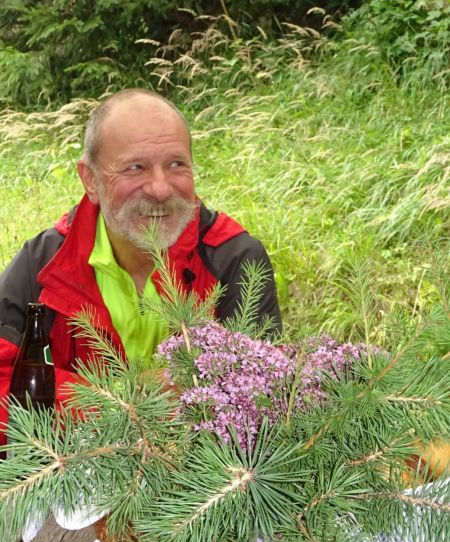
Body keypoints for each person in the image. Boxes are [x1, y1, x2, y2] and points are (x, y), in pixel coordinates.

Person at [0, 89, 281, 443]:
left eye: (176, 164)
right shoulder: (44, 264)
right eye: (136, 167)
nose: (161, 189)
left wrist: (61, 400)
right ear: (91, 180)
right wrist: (129, 398)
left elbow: (262, 398)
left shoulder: (233, 259)